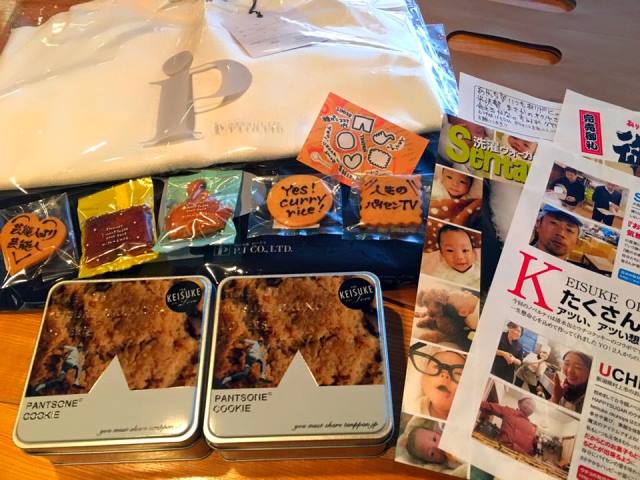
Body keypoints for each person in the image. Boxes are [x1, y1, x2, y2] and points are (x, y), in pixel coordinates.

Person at [410, 345, 465, 420]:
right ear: (422, 380)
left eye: (458, 374)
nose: (445, 375)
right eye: (437, 367)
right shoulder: (413, 408)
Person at [423, 225, 481, 289]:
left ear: (473, 252)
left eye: (465, 250)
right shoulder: (441, 272)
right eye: (450, 250)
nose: (459, 257)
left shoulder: (479, 268)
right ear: (442, 253)